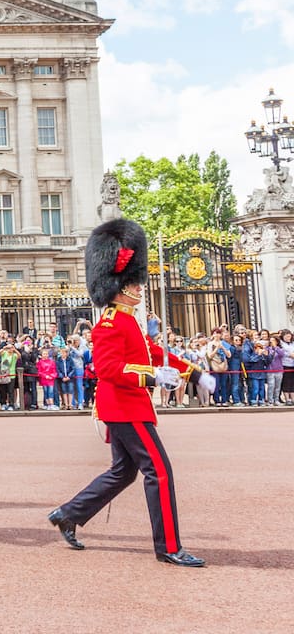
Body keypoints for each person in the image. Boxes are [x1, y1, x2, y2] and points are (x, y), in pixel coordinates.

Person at [49, 218, 213, 567]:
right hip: (123, 407)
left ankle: (68, 513)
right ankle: (168, 546)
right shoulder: (108, 323)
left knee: (124, 471)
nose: (139, 289)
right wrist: (154, 379)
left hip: (128, 406)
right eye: (134, 284)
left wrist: (194, 372)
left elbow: (154, 353)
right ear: (119, 288)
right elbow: (108, 370)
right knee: (159, 470)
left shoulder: (127, 320)